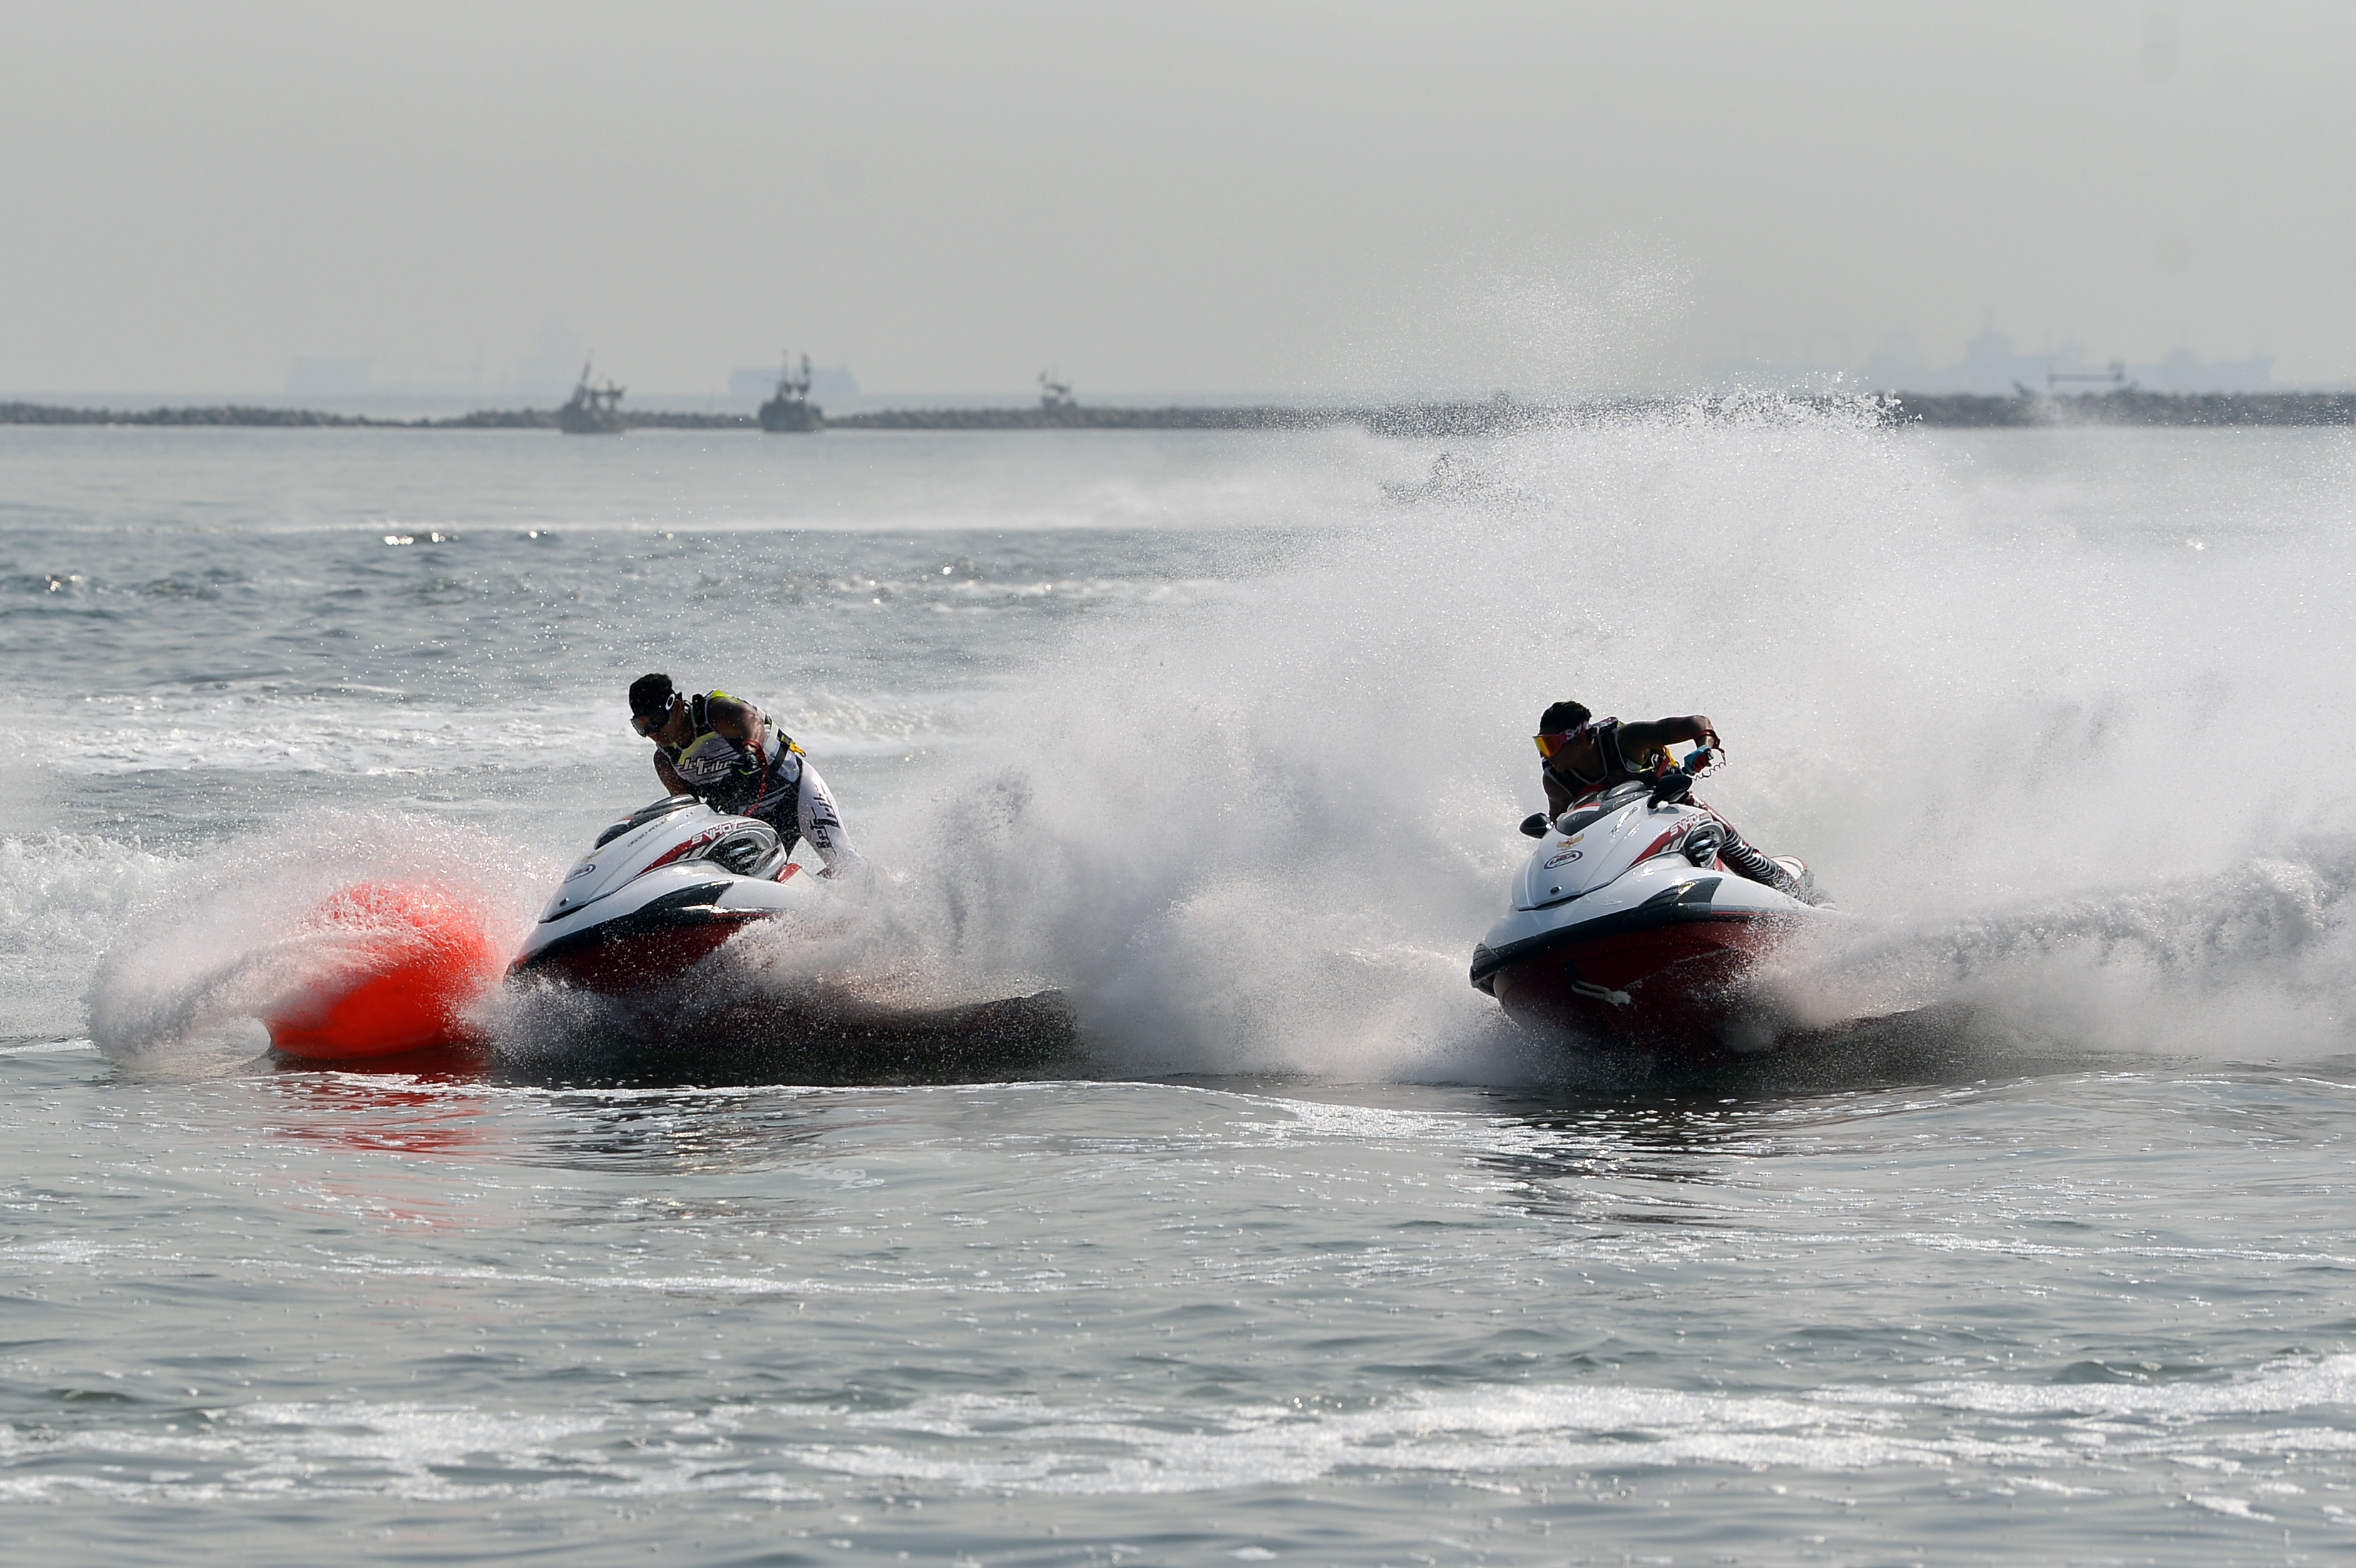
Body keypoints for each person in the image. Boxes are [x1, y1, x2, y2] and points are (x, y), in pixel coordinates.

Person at [1532, 700, 1809, 899]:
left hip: (1674, 808)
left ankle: (1800, 898)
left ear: (1578, 739)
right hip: (1619, 835)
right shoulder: (1556, 781)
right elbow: (1562, 825)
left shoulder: (1627, 740)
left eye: (1549, 745)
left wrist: (1703, 747)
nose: (1545, 755)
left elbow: (1696, 723)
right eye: (1540, 745)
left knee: (1732, 845)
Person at [627, 673, 863, 878]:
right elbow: (691, 812)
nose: (652, 732)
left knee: (844, 863)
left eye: (656, 721)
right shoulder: (665, 762)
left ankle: (873, 886)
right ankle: (819, 899)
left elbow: (751, 720)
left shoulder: (713, 713)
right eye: (641, 726)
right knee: (760, 886)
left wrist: (750, 752)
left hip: (797, 792)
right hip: (756, 820)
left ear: (677, 707)